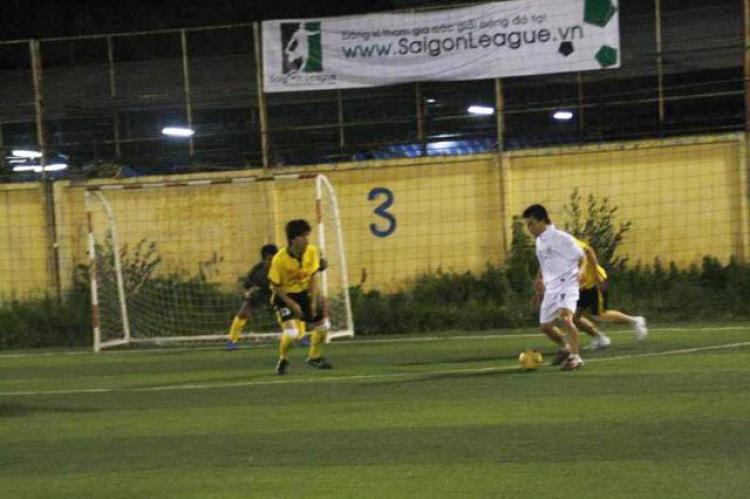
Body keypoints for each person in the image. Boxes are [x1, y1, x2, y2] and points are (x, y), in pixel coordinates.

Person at [524, 204, 586, 371]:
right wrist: (538, 281)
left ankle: (575, 358)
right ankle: (566, 347)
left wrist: (581, 272)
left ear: (543, 220)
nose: (529, 228)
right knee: (545, 326)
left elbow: (582, 257)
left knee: (565, 318)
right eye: (527, 225)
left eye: (531, 224)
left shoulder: (561, 238)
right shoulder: (540, 241)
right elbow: (544, 263)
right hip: (551, 288)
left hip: (568, 283)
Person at [270, 219, 332, 375]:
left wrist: (312, 299)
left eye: (307, 236)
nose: (306, 240)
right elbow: (275, 286)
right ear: (292, 239)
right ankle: (283, 359)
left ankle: (314, 357)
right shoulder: (279, 259)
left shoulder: (312, 251)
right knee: (292, 333)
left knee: (323, 327)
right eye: (303, 237)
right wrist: (292, 305)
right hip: (284, 296)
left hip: (304, 293)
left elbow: (314, 276)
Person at [574, 238, 648, 349]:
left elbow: (589, 251)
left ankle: (635, 320)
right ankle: (600, 338)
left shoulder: (568, 241)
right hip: (583, 285)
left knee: (599, 315)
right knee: (574, 317)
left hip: (593, 283)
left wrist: (597, 276)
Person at [226, 244, 279, 351]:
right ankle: (232, 340)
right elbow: (245, 287)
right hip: (261, 293)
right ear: (264, 259)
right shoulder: (257, 270)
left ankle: (300, 337)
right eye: (268, 259)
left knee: (288, 311)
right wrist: (246, 294)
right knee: (243, 312)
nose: (271, 262)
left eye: (273, 259)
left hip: (278, 292)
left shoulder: (280, 266)